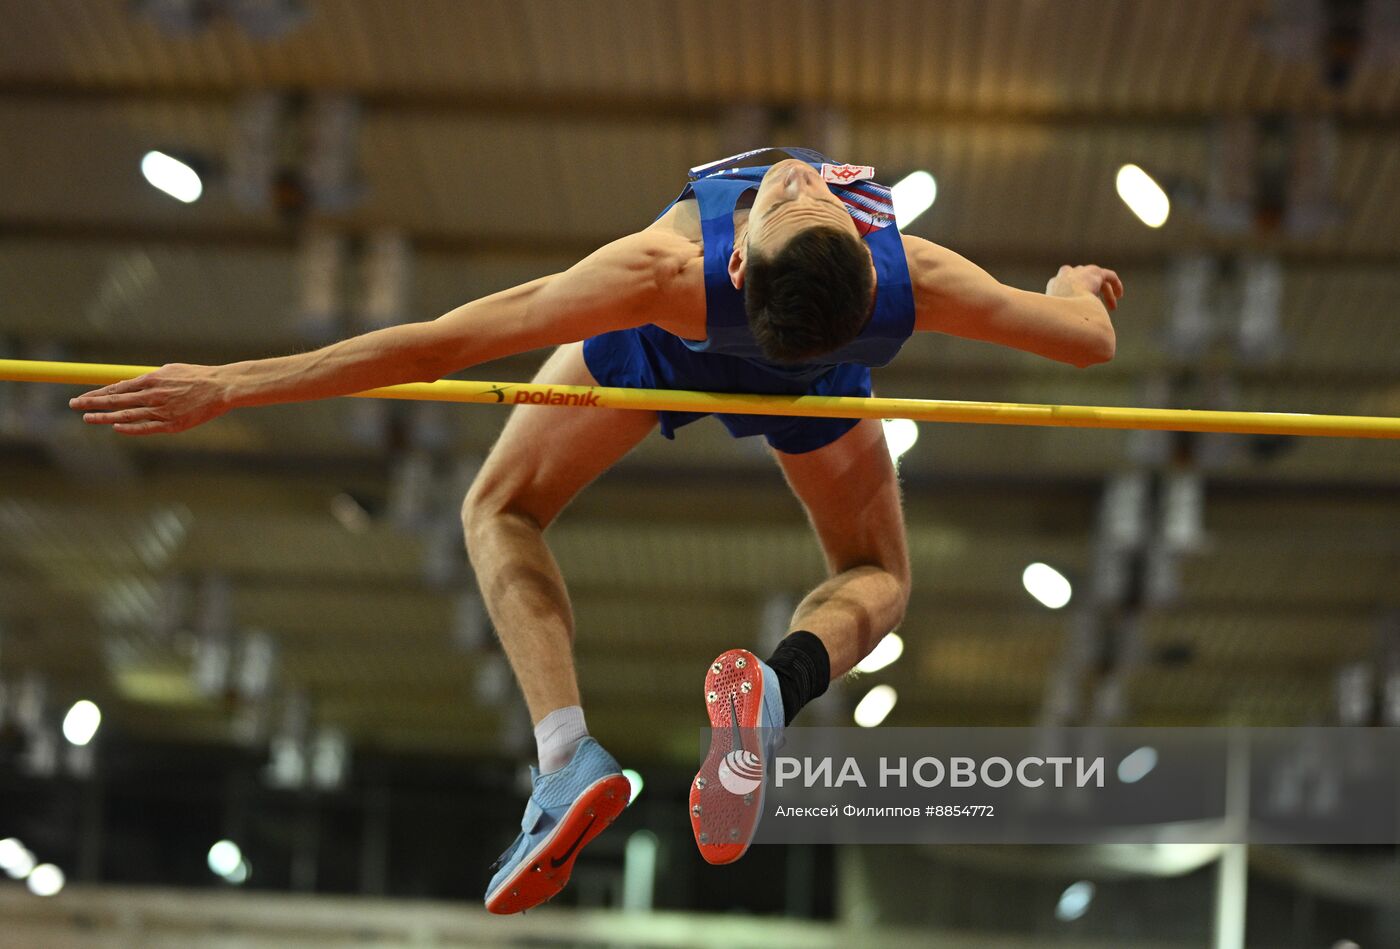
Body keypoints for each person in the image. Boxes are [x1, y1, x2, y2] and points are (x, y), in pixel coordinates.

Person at [68, 146, 1122, 914]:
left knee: (501, 507)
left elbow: (439, 342)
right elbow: (1083, 343)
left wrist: (231, 385)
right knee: (873, 574)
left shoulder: (661, 270)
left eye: (804, 202)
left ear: (747, 265)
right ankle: (778, 685)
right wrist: (1069, 286)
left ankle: (567, 755)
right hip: (815, 377)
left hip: (662, 338)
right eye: (799, 195)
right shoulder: (916, 279)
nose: (798, 180)